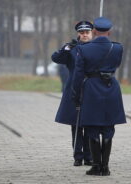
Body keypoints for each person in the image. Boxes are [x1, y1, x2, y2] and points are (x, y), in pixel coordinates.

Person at [72, 17, 126, 176]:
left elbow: (78, 74)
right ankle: (105, 167)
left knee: (92, 127)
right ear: (109, 32)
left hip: (91, 88)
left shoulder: (84, 49)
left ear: (94, 31)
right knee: (109, 127)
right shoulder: (117, 48)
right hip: (111, 88)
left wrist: (76, 93)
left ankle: (96, 166)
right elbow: (116, 65)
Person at [51, 21, 94, 166]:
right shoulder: (73, 49)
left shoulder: (96, 48)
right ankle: (78, 156)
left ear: (92, 33)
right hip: (74, 88)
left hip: (90, 88)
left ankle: (89, 156)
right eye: (82, 33)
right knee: (75, 124)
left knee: (89, 123)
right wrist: (66, 49)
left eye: (87, 32)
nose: (84, 35)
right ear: (78, 34)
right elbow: (56, 58)